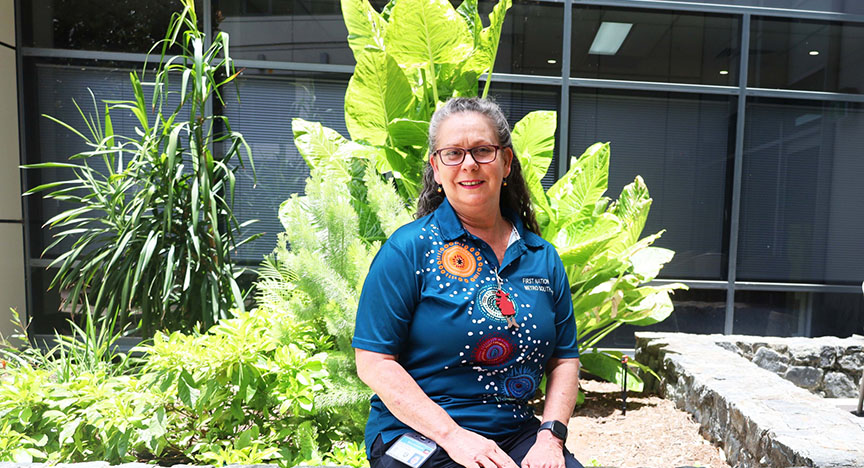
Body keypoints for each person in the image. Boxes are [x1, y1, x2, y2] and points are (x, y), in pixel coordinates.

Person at [353, 97, 583, 468]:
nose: (469, 164)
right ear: (436, 167)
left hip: (516, 432)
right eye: (453, 154)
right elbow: (375, 362)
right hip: (417, 432)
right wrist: (453, 436)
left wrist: (551, 437)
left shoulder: (542, 257)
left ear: (506, 162)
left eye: (482, 150)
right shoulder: (408, 249)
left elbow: (565, 359)